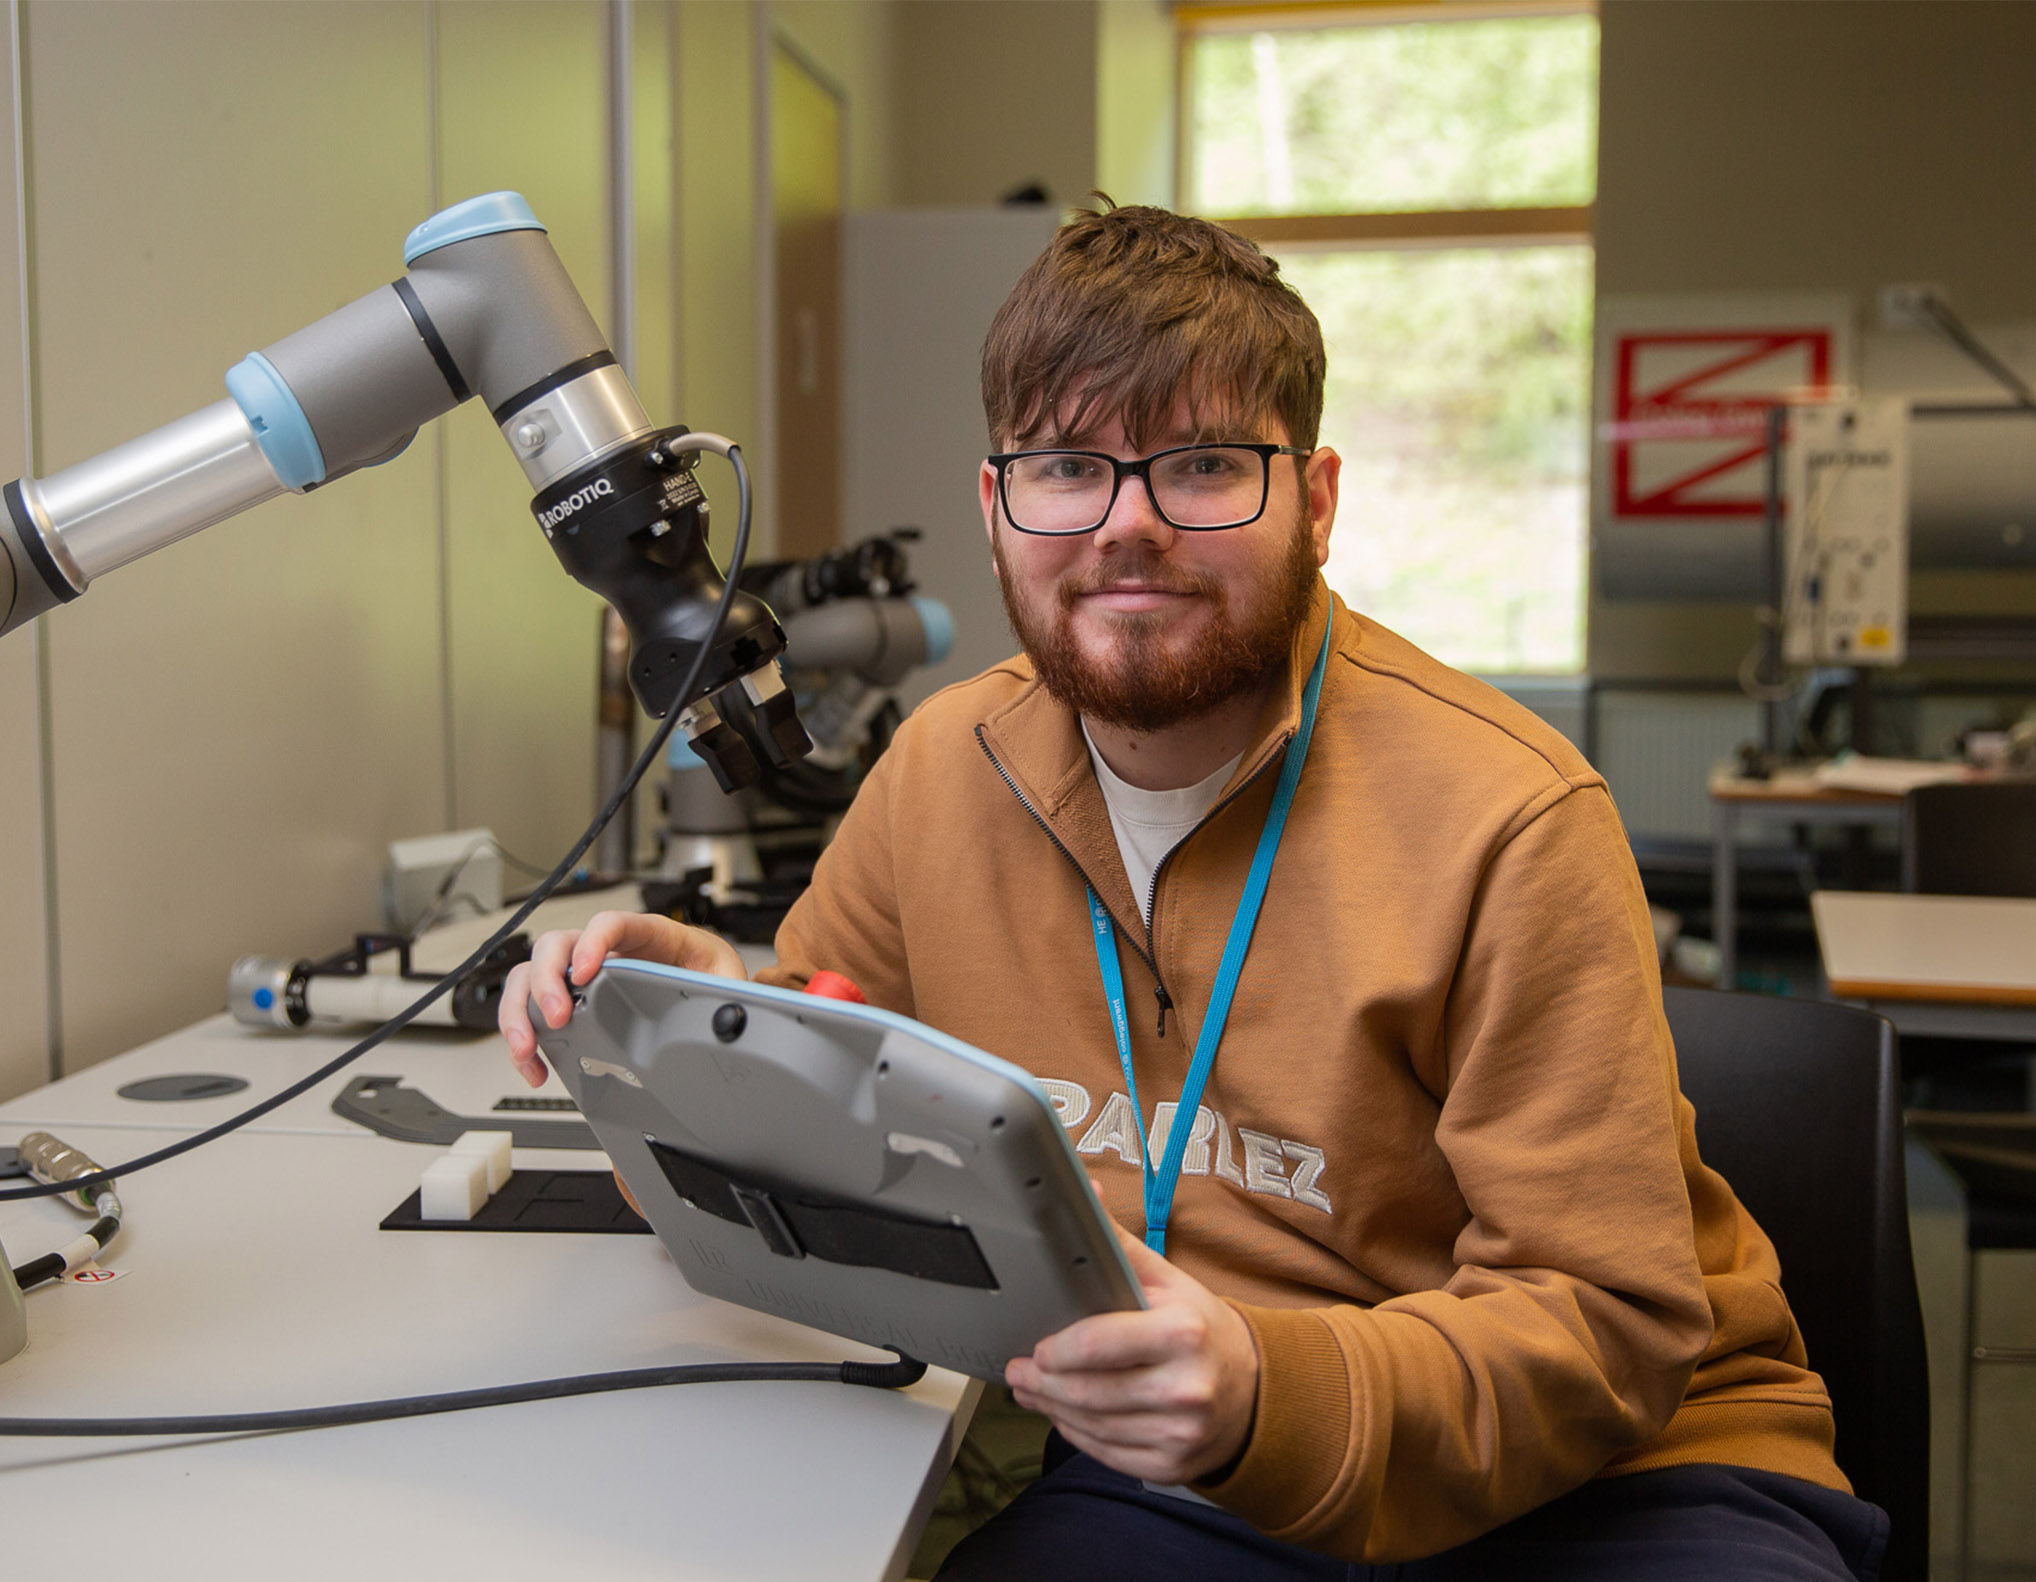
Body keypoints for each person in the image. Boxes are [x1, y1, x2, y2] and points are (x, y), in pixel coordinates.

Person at [500, 204, 1888, 1580]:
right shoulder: (941, 769)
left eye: (1207, 465)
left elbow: (1607, 1322)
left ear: (1320, 501)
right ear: (998, 509)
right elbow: (839, 1051)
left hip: (1623, 1482)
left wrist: (1264, 1391)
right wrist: (687, 1013)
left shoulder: (1513, 815)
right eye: (1065, 469)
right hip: (1187, 1474)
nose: (1129, 524)